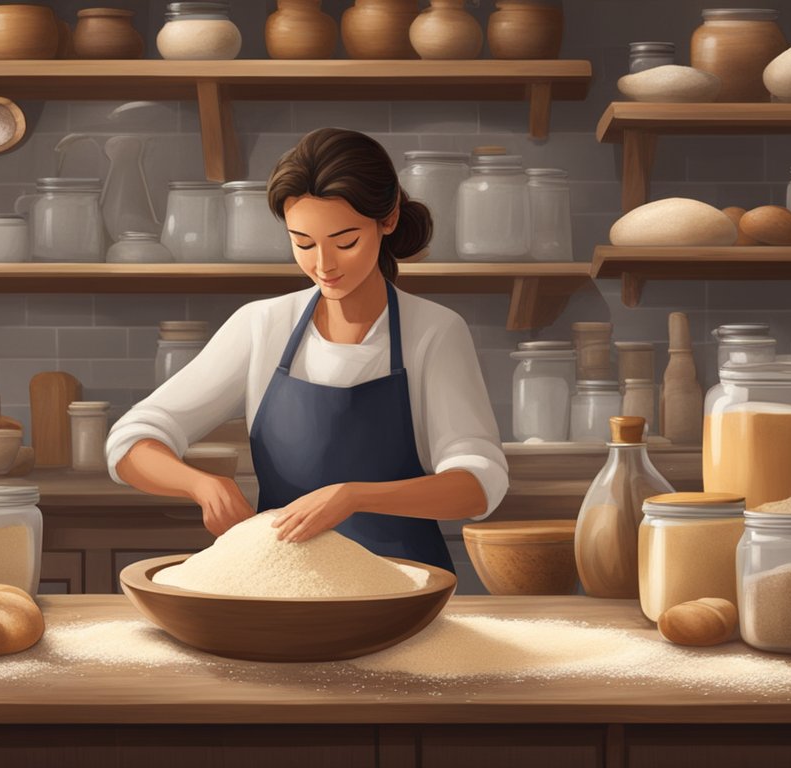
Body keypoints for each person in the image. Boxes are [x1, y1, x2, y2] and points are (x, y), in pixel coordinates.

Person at [105, 127, 508, 572]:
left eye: (346, 241)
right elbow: (131, 441)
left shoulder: (434, 331)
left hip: (406, 587)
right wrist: (201, 485)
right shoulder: (262, 326)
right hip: (284, 583)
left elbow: (479, 483)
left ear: (388, 220)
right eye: (303, 243)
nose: (323, 265)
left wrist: (355, 495)